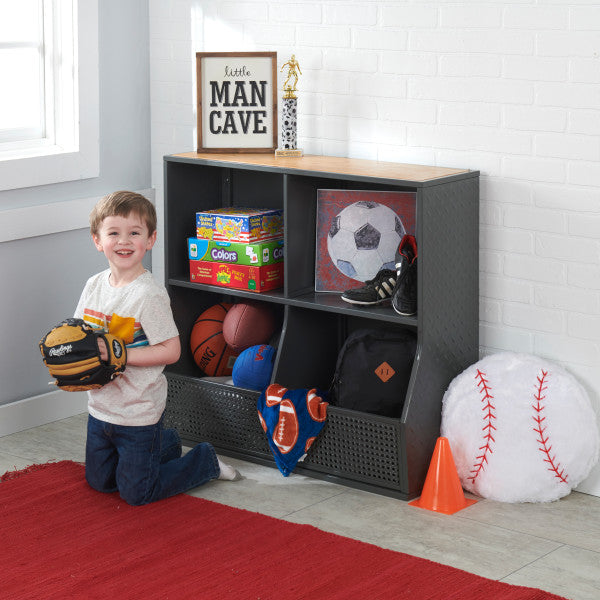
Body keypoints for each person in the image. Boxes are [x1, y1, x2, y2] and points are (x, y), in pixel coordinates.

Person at [74, 190, 239, 506]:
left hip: (138, 411)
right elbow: (79, 331)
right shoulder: (94, 285)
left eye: (134, 233)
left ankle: (204, 461)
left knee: (137, 493)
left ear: (149, 240)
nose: (124, 241)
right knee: (100, 483)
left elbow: (171, 351)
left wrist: (120, 355)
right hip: (100, 408)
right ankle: (166, 444)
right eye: (114, 233)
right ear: (98, 240)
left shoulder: (148, 295)